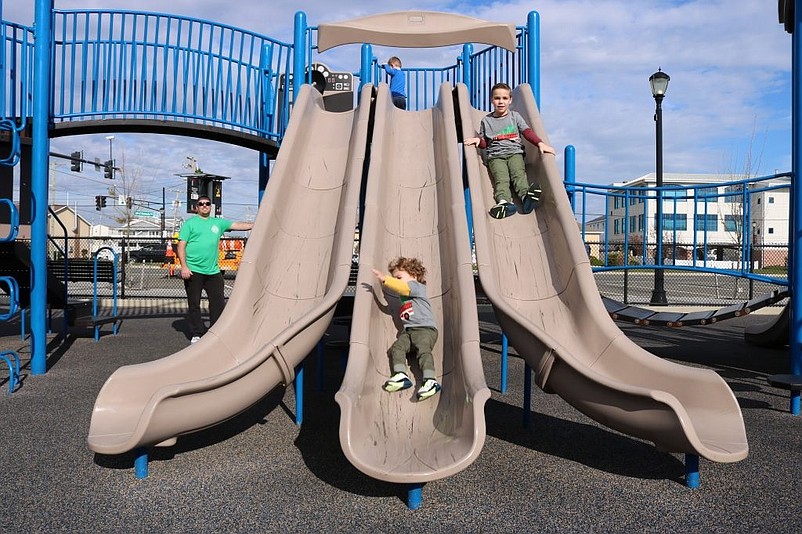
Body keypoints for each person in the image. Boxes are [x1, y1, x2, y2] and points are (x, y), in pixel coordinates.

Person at [464, 82, 556, 219]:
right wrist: (478, 141)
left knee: (518, 175)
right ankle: (503, 203)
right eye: (497, 98)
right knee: (501, 180)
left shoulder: (515, 117)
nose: (501, 102)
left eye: (504, 98)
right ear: (491, 100)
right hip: (496, 156)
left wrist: (540, 144)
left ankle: (526, 198)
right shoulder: (486, 120)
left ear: (510, 100)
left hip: (515, 153)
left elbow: (527, 132)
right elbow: (484, 143)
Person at [177, 195, 253, 344]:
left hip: (213, 272)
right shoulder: (189, 224)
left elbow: (237, 225)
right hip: (193, 271)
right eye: (201, 204)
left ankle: (215, 331)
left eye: (207, 204)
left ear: (210, 206)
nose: (204, 206)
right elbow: (181, 246)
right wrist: (184, 267)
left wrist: (256, 224)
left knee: (218, 302)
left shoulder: (218, 223)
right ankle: (197, 333)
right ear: (196, 207)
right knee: (194, 303)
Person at [371, 257, 441, 400]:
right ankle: (401, 375)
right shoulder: (405, 295)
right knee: (396, 348)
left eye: (399, 278)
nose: (396, 281)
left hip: (425, 329)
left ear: (414, 275)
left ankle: (430, 380)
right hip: (408, 331)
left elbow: (403, 287)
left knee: (423, 351)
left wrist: (385, 280)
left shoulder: (416, 286)